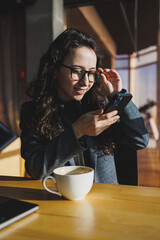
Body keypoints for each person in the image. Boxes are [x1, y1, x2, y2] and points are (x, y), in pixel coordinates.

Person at [20, 28, 149, 183]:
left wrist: (117, 95)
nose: (86, 82)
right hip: (61, 201)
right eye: (77, 71)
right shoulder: (33, 111)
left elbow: (141, 140)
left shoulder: (99, 106)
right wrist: (78, 131)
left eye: (91, 73)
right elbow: (35, 168)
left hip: (106, 201)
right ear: (54, 70)